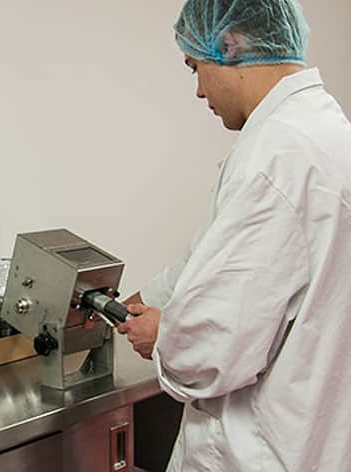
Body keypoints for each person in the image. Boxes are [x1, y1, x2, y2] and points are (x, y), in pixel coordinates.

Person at [117, 0, 351, 470]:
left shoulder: (275, 158)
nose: (200, 91)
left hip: (261, 450)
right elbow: (221, 259)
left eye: (195, 68)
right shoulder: (325, 131)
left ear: (230, 44)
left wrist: (163, 337)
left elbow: (207, 356)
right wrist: (144, 297)